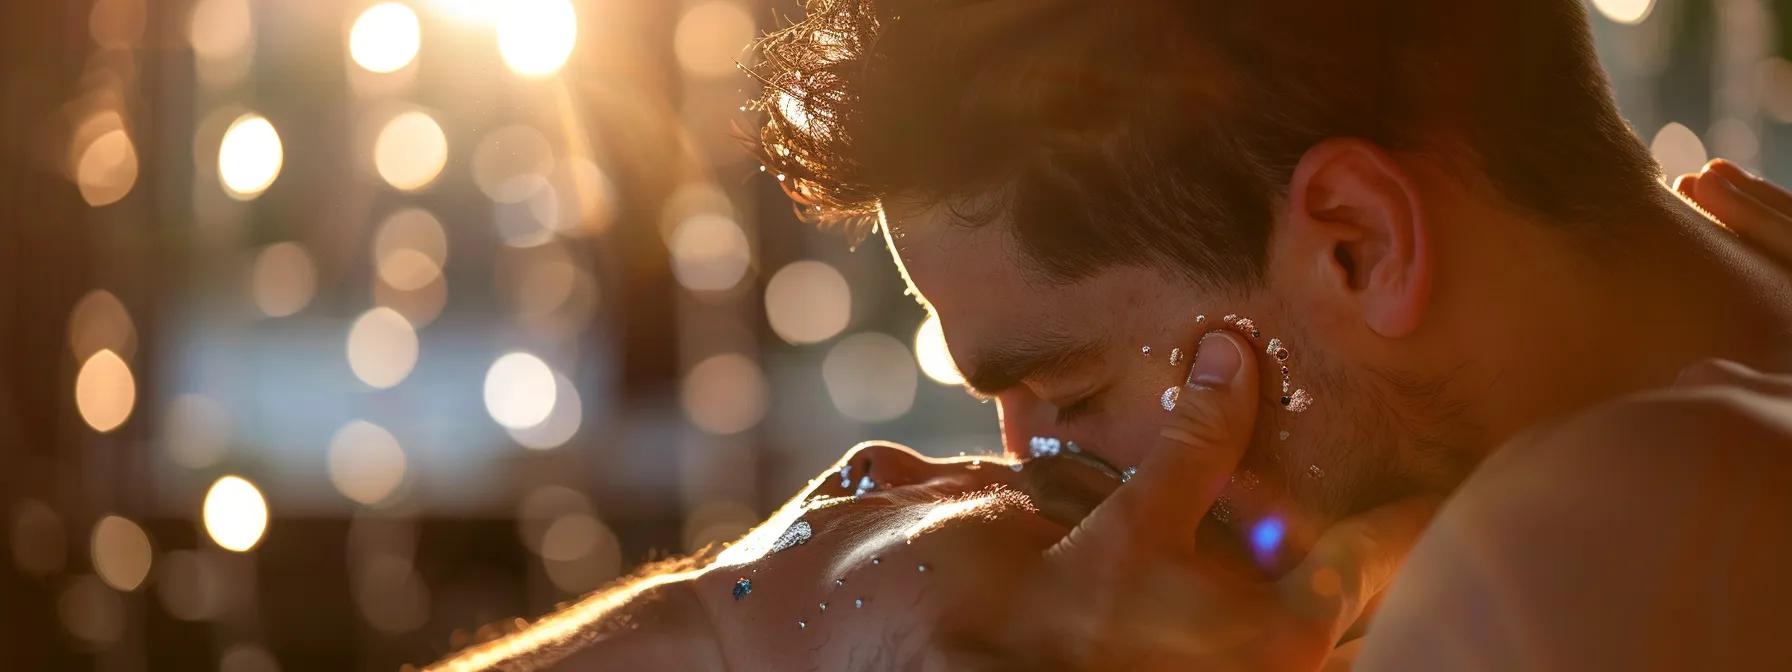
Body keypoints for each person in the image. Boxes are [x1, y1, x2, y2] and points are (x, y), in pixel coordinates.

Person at [422, 0, 1792, 666]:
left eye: (1067, 387)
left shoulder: (1577, 560)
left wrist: (744, 628)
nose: (1021, 472)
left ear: (1356, 244)